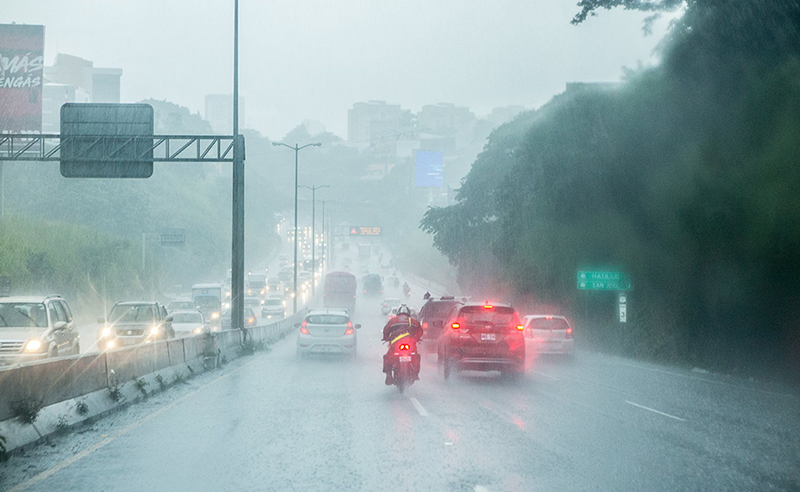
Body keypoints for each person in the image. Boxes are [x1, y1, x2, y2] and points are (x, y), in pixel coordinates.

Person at [382, 304, 423, 385]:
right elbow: (420, 331)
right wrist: (416, 338)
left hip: (396, 345)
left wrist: (386, 338)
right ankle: (415, 373)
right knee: (416, 356)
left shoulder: (393, 320)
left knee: (387, 357)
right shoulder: (413, 321)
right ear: (408, 313)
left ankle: (388, 375)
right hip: (410, 344)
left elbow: (386, 330)